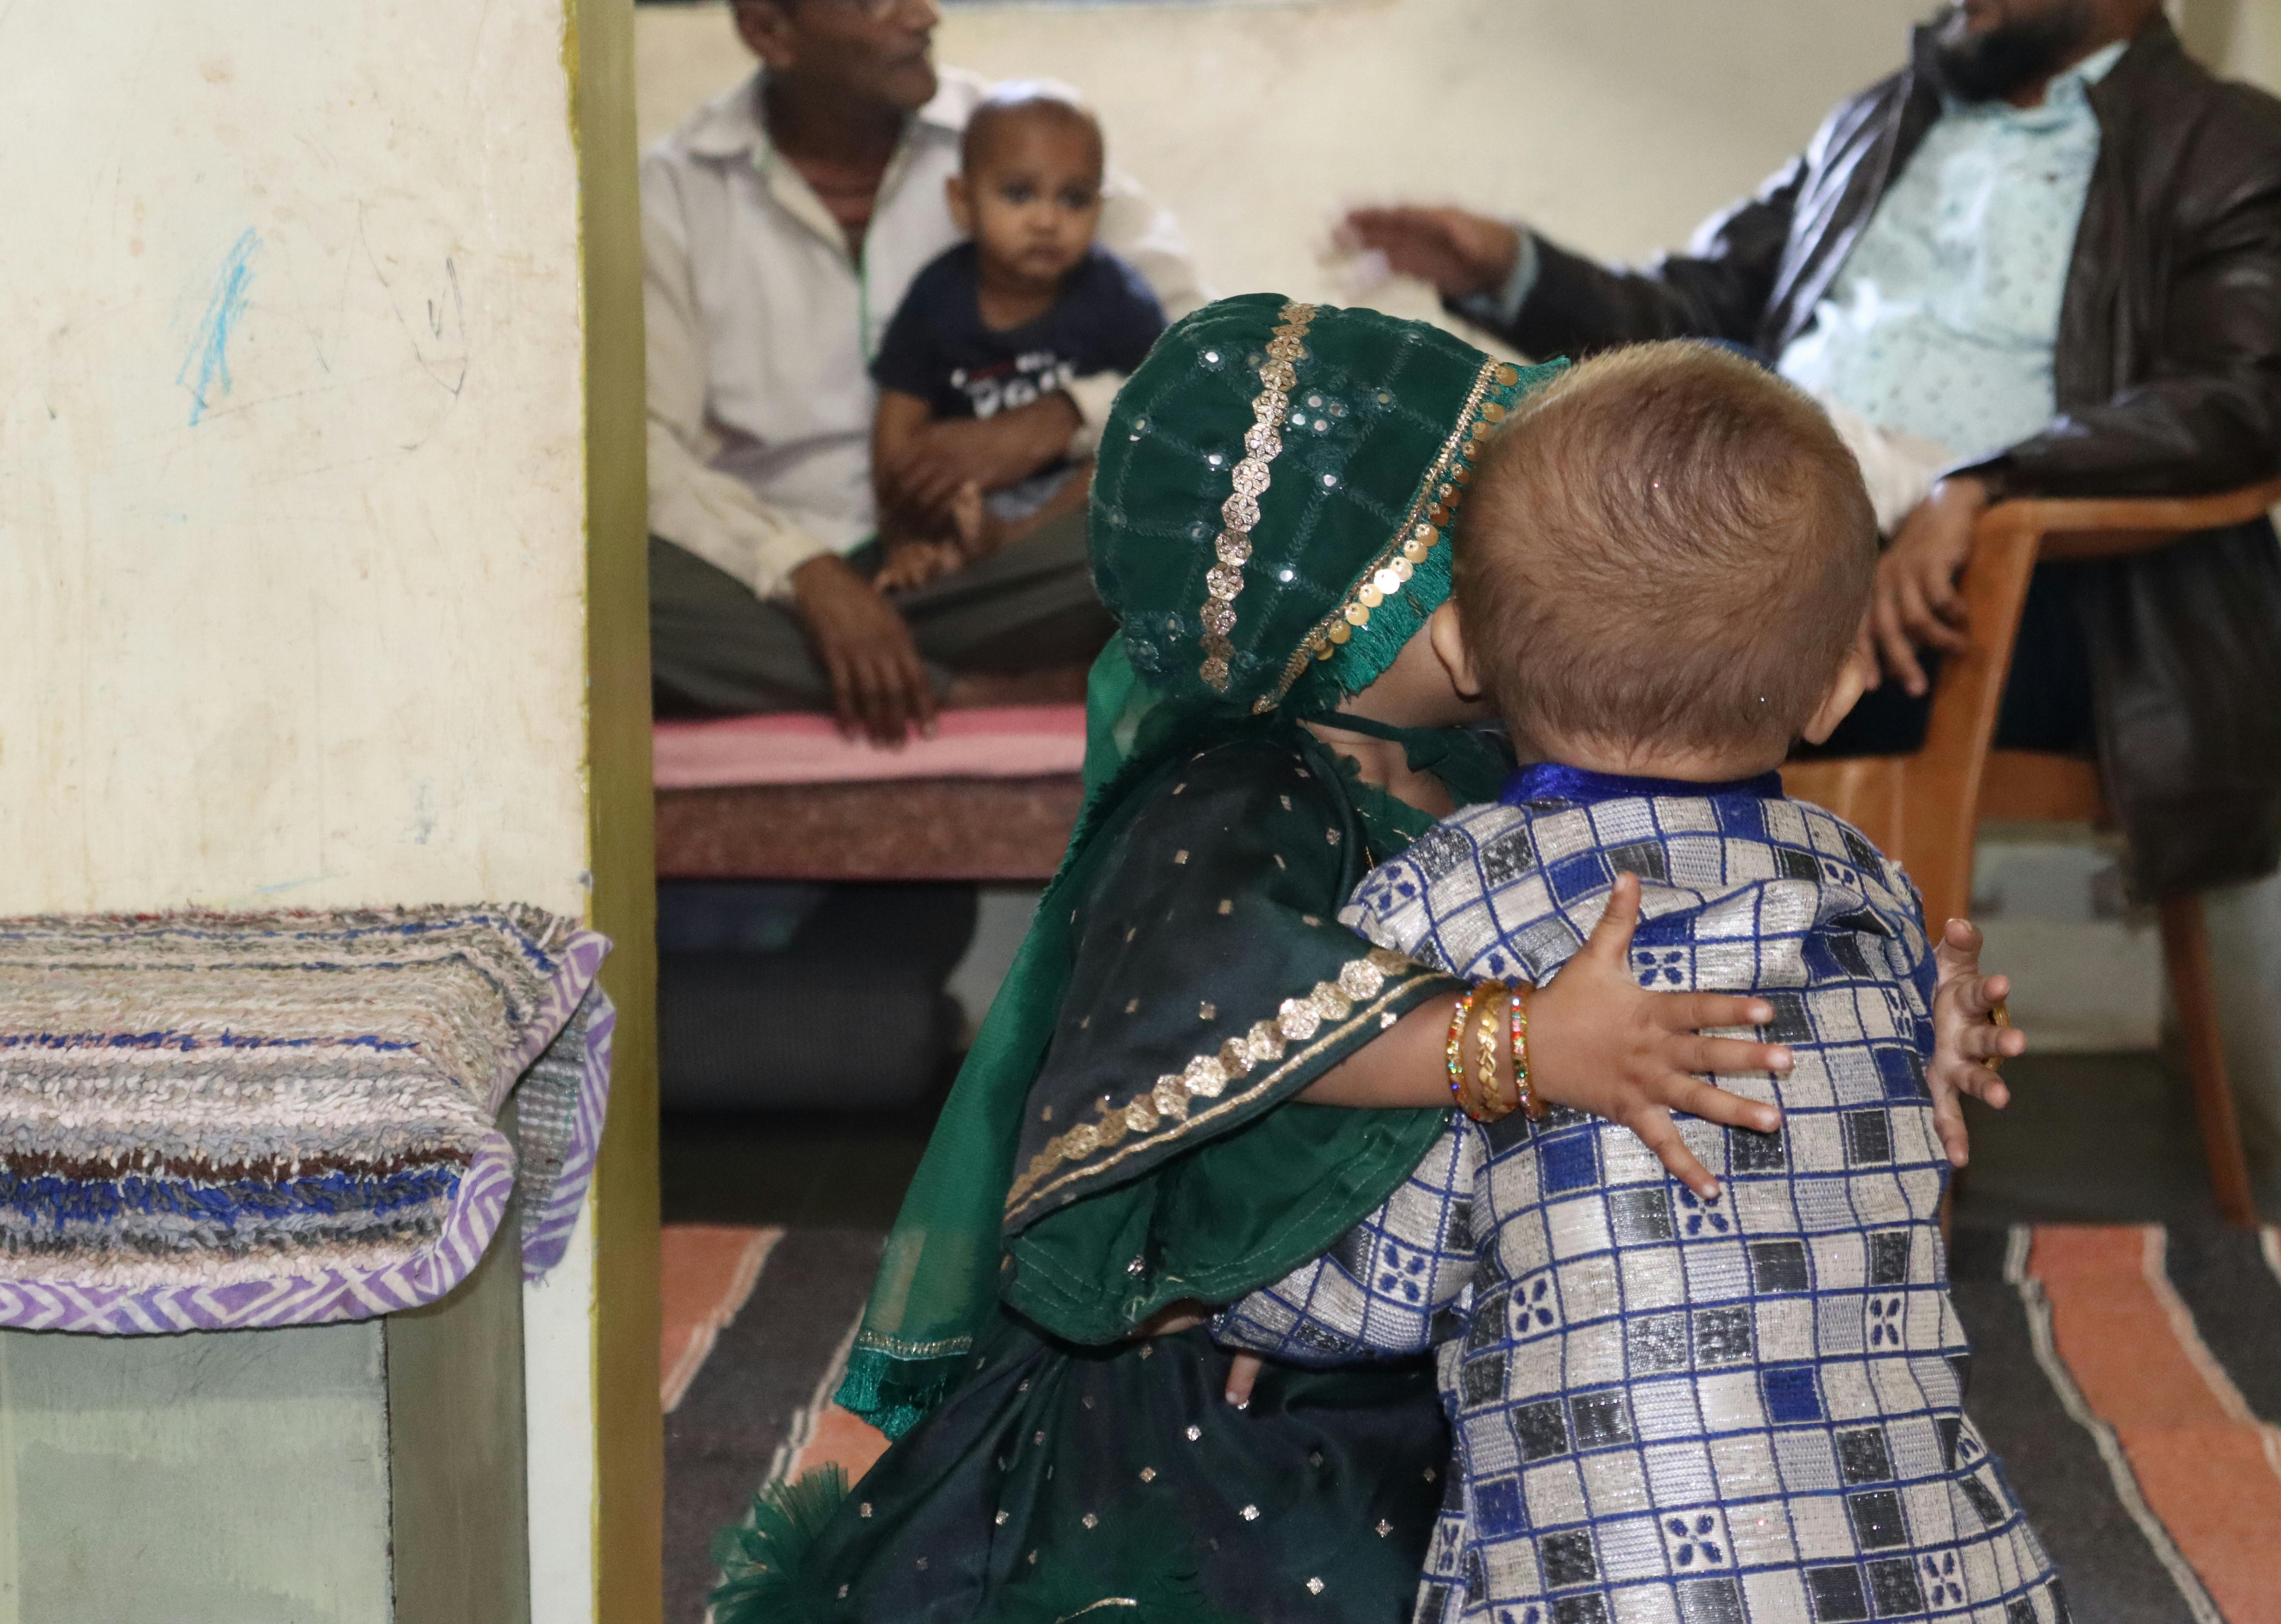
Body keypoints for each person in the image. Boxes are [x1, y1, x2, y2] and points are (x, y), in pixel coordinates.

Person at [711, 300, 2009, 1624]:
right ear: (1360, 592)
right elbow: (1203, 1032)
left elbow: (1450, 1212)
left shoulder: (1496, 824)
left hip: (1442, 1343)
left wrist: (1903, 1029)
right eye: (1462, 541)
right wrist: (1515, 1042)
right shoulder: (1234, 799)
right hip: (1205, 1364)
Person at [1217, 343, 2056, 1624]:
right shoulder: (1865, 886)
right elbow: (1883, 1153)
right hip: (1926, 1577)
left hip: (1603, 1576)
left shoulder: (1436, 903)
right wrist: (1931, 1040)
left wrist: (1247, 1303)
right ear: (1836, 690)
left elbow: (1396, 1253)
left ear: (1459, 647)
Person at [1340, 0, 2281, 898]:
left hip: (2013, 588)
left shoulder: (2226, 141)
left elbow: (2244, 395)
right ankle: (1407, 912)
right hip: (1778, 530)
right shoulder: (1885, 118)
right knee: (1648, 415)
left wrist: (1985, 486)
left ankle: (1451, 927)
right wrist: (1513, 270)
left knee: (1650, 513)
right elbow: (1695, 310)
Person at [642, 0, 1205, 744]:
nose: (925, 13)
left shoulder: (1022, 137)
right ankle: (965, 689)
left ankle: (861, 673)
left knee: (1216, 502)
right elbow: (644, 448)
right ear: (770, 30)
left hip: (995, 568)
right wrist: (802, 570)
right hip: (771, 589)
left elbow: (1210, 359)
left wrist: (1067, 414)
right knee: (604, 577)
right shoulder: (675, 194)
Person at [868, 84, 1168, 594]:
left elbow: (1169, 392)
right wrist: (903, 536)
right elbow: (895, 429)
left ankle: (1016, 540)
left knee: (1131, 462)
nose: (1047, 221)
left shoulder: (1114, 293)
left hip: (1074, 504)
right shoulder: (938, 296)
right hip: (966, 496)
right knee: (931, 492)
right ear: (963, 201)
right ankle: (961, 549)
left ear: (1100, 207)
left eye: (1074, 199)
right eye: (1019, 194)